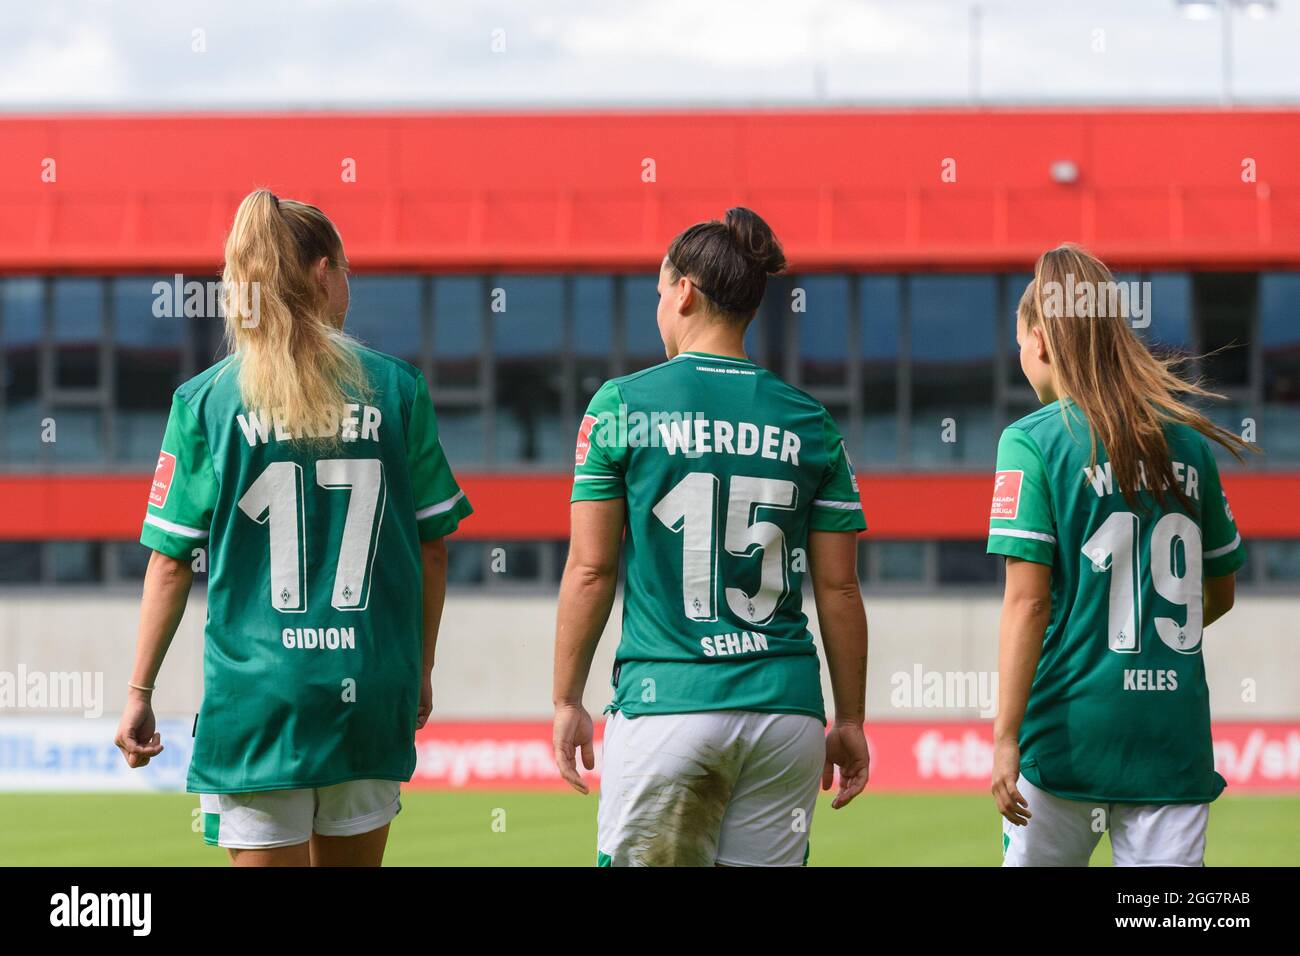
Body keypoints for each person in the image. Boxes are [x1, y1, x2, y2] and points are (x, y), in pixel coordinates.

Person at [114, 189, 471, 866]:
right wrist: (419, 669)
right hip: (367, 685)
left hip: (258, 699)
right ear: (321, 271)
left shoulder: (206, 401)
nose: (349, 290)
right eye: (346, 273)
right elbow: (433, 550)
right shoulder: (397, 390)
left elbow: (168, 562)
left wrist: (139, 693)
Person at [552, 207, 871, 867]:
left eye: (659, 291)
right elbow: (839, 587)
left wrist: (566, 699)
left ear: (685, 291)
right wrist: (851, 719)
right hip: (785, 712)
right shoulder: (810, 422)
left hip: (669, 703)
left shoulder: (621, 406)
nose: (658, 307)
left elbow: (590, 570)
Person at [989, 243, 1252, 867]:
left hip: (1067, 736)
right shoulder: (1189, 444)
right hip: (1171, 741)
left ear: (1042, 341)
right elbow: (1218, 594)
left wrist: (1003, 737)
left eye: (1019, 341)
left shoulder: (1031, 441)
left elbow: (1026, 603)